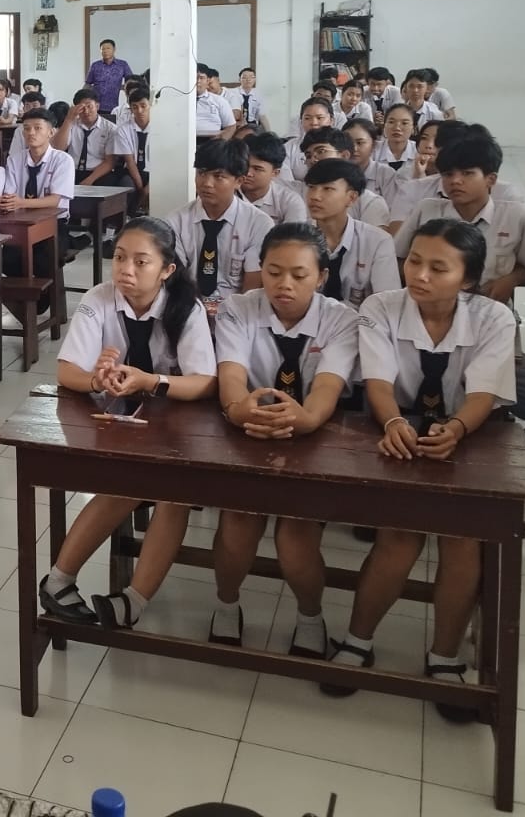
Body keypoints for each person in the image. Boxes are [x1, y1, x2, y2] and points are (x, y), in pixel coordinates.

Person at [328, 220, 517, 721]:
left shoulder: (494, 318)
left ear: (469, 280)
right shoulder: (380, 308)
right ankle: (357, 640)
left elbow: (482, 393)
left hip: (470, 434)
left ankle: (445, 657)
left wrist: (455, 429)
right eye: (414, 261)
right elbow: (379, 381)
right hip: (399, 428)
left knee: (462, 542)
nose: (420, 275)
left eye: (439, 267)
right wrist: (391, 421)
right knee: (398, 536)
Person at [37, 219, 217, 628]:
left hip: (174, 422)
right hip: (120, 422)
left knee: (173, 492)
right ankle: (59, 581)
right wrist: (96, 380)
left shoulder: (185, 307)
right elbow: (67, 372)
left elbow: (205, 383)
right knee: (126, 481)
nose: (126, 270)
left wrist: (151, 381)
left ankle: (133, 601)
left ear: (167, 270)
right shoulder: (98, 298)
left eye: (141, 261)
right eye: (119, 257)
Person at [392, 133, 525, 504]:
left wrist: (506, 282)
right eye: (447, 174)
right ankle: (401, 493)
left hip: (488, 332)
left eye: (467, 173)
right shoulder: (429, 211)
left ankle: (505, 495)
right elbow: (400, 258)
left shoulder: (517, 216)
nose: (455, 182)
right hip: (424, 328)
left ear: (491, 178)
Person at [212, 224, 360, 652]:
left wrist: (305, 419)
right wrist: (241, 411)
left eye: (299, 274)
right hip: (248, 432)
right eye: (273, 272)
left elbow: (328, 390)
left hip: (312, 439)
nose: (284, 285)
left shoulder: (341, 319)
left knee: (295, 537)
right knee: (237, 525)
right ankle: (226, 604)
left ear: (322, 277)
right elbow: (232, 380)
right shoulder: (238, 309)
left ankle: (310, 616)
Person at [164, 139, 272, 310]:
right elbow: (176, 279)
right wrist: (195, 314)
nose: (206, 183)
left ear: (239, 181)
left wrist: (232, 316)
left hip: (240, 312)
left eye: (219, 176)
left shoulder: (258, 223)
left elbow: (253, 285)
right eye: (201, 173)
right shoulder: (176, 221)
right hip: (189, 308)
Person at [301, 159, 401, 305]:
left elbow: (388, 304)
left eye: (327, 189)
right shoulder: (295, 239)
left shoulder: (378, 241)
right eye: (311, 187)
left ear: (352, 197)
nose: (315, 196)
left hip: (361, 324)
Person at [0, 106, 74, 291]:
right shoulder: (15, 159)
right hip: (22, 224)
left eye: (38, 128)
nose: (31, 133)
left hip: (54, 225)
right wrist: (7, 202)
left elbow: (54, 200)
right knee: (5, 258)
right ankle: (28, 299)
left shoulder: (63, 160)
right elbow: (10, 194)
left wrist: (20, 202)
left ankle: (42, 300)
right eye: (26, 128)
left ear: (51, 132)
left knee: (45, 259)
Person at [300, 126, 390, 226]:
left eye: (321, 151)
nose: (313, 159)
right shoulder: (300, 193)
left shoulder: (369, 202)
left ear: (344, 156)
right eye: (308, 156)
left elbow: (375, 239)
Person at [238, 132, 309, 225]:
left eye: (257, 169)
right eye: (245, 166)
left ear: (275, 173)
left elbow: (293, 238)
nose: (248, 173)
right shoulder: (227, 193)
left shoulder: (290, 201)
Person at [52, 87, 119, 185]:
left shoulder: (111, 129)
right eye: (82, 108)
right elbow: (58, 148)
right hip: (72, 170)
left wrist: (90, 180)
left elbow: (110, 162)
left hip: (97, 173)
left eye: (89, 106)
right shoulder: (71, 124)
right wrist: (68, 119)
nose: (86, 111)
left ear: (97, 106)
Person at [112, 86, 154, 211]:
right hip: (132, 171)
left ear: (150, 105)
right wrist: (141, 189)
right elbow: (130, 162)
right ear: (130, 109)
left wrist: (148, 188)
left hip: (155, 173)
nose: (139, 110)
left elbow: (163, 162)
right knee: (126, 188)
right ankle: (122, 222)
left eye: (143, 106)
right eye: (135, 107)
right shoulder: (123, 129)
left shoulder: (160, 127)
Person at [284, 98, 334, 179]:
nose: (314, 123)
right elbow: (285, 183)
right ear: (301, 122)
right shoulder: (288, 148)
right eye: (307, 118)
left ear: (331, 120)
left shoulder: (340, 145)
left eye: (319, 118)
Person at [370, 103, 418, 181]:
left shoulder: (418, 151)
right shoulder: (372, 150)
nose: (397, 128)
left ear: (413, 128)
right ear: (384, 126)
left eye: (404, 123)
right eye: (391, 122)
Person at [85, 38, 134, 112]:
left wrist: (121, 87)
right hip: (95, 106)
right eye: (103, 49)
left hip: (114, 107)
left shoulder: (122, 65)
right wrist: (81, 100)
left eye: (108, 48)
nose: (105, 51)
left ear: (114, 49)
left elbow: (131, 82)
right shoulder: (95, 65)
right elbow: (88, 84)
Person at [194, 65, 238, 141]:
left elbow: (231, 127)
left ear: (207, 81)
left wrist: (220, 144)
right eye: (194, 77)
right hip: (183, 143)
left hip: (213, 142)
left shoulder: (219, 101)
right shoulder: (180, 101)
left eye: (201, 78)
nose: (198, 81)